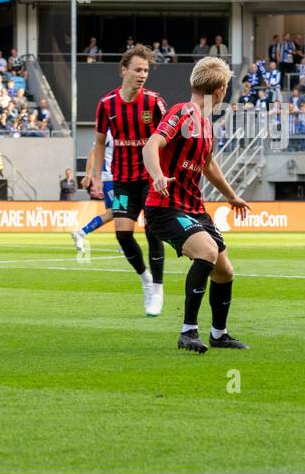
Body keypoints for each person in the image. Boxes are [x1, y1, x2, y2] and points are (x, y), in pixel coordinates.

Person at [143, 57, 251, 352]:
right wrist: (157, 175)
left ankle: (219, 334)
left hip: (194, 209)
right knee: (207, 251)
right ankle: (188, 331)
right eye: (225, 87)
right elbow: (151, 144)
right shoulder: (181, 112)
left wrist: (231, 196)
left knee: (224, 271)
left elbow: (208, 165)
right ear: (219, 90)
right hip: (165, 207)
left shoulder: (205, 125)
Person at [84, 46, 169, 316]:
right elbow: (99, 143)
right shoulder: (107, 104)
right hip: (121, 180)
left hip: (150, 180)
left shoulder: (154, 102)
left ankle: (158, 289)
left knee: (153, 233)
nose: (142, 75)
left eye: (146, 70)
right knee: (122, 234)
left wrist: (163, 173)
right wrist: (97, 177)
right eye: (137, 69)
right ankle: (145, 279)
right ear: (124, 70)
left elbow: (168, 139)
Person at [72, 133, 116, 253]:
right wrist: (88, 175)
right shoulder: (108, 132)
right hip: (111, 179)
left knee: (114, 213)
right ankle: (125, 244)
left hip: (123, 179)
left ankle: (81, 232)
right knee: (119, 212)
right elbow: (93, 153)